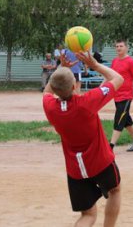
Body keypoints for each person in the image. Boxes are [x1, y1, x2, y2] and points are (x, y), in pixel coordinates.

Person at [42, 52, 124, 227]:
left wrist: (61, 68)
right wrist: (95, 65)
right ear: (74, 87)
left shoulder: (50, 107)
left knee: (88, 214)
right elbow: (118, 79)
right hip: (100, 161)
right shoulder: (86, 102)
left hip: (75, 169)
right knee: (115, 191)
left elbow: (48, 91)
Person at [109, 40, 133, 152]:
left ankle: (110, 146)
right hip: (116, 95)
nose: (119, 48)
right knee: (126, 119)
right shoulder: (114, 61)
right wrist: (101, 88)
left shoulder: (131, 62)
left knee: (119, 119)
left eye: (121, 46)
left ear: (126, 48)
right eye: (117, 46)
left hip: (126, 96)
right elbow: (109, 76)